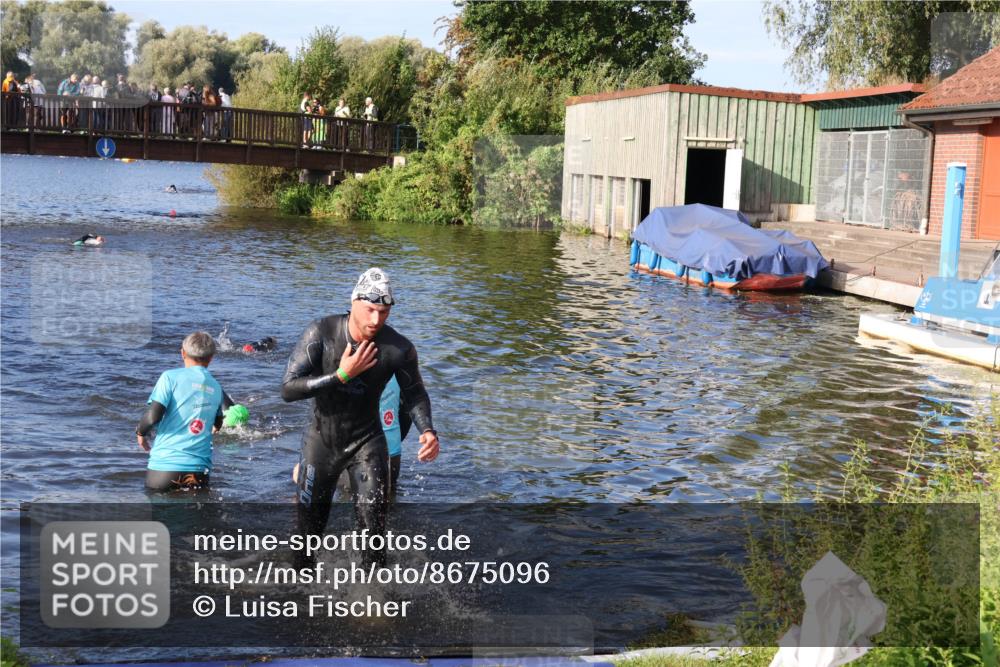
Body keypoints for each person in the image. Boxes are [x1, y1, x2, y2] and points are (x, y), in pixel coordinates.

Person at [282, 268, 439, 566]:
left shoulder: (399, 349)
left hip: (368, 442)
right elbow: (288, 390)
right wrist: (341, 375)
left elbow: (415, 393)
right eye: (369, 310)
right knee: (306, 541)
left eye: (383, 312)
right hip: (321, 443)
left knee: (375, 540)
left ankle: (373, 606)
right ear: (353, 300)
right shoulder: (321, 333)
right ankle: (298, 604)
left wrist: (427, 430)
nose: (375, 320)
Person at [137, 332, 229, 492]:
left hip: (164, 468)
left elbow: (153, 416)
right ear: (211, 358)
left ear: (183, 353)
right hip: (199, 471)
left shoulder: (169, 377)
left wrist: (141, 433)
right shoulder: (216, 387)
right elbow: (218, 422)